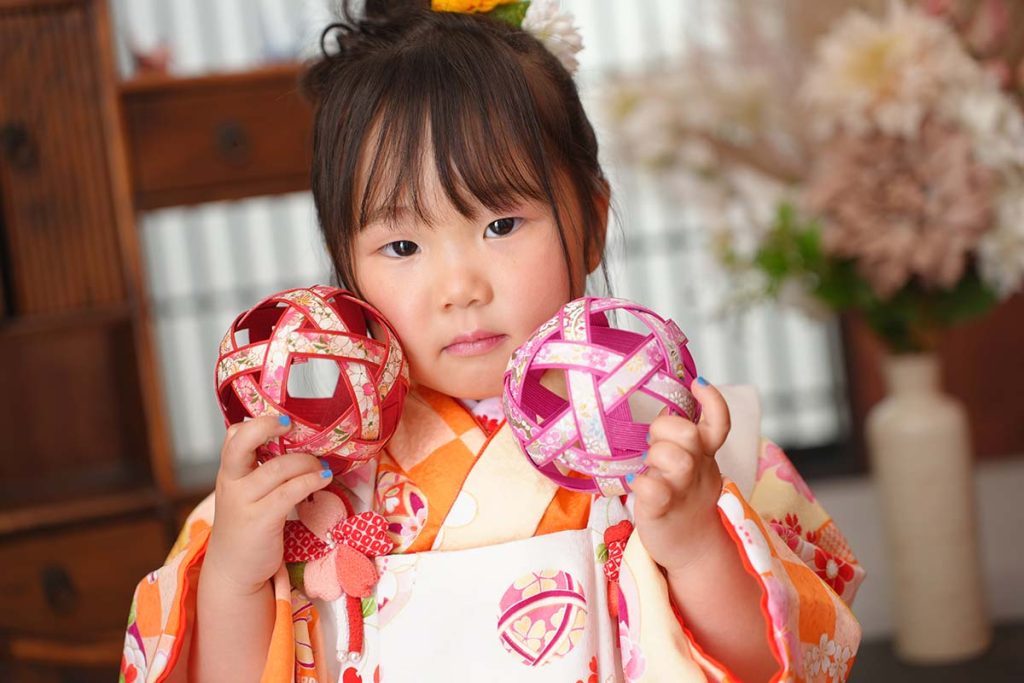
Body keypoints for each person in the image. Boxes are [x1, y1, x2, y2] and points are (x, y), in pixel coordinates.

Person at [120, 3, 864, 682]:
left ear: (591, 221)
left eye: (501, 225)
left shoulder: (676, 448)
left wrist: (696, 542)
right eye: (403, 246)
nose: (460, 287)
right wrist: (237, 575)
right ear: (344, 267)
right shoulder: (306, 475)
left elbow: (777, 664)